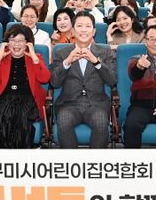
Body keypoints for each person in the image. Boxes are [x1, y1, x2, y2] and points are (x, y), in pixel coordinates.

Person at [50, 12, 117, 149]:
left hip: (96, 104)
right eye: (79, 26)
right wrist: (67, 62)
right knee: (64, 121)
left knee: (100, 122)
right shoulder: (62, 52)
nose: (84, 30)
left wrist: (96, 62)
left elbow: (112, 80)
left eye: (88, 26)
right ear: (73, 31)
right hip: (69, 103)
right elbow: (54, 83)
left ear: (94, 31)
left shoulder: (104, 51)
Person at [0, 25, 51, 148]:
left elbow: (45, 79)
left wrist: (34, 57)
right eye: (13, 40)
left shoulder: (36, 58)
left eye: (21, 40)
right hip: (5, 98)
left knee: (20, 119)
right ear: (7, 43)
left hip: (28, 99)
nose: (16, 44)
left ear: (28, 43)